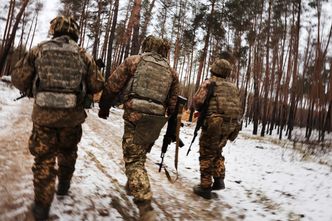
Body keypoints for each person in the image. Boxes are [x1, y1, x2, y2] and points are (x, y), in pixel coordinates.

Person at [11, 16, 104, 220]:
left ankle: (42, 206)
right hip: (71, 118)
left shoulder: (38, 50)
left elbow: (18, 78)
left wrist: (31, 87)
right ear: (75, 31)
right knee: (68, 151)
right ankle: (63, 185)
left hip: (44, 116)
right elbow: (97, 84)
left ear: (54, 29)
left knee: (44, 159)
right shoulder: (83, 55)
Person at [98, 35, 179, 220]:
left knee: (134, 161)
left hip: (135, 115)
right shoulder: (172, 72)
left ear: (147, 45)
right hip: (156, 120)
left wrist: (104, 107)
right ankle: (132, 184)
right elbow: (173, 105)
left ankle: (145, 206)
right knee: (139, 154)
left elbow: (112, 85)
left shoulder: (134, 61)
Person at [192, 51, 243, 199]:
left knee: (206, 153)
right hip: (229, 126)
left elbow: (197, 102)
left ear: (214, 68)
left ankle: (205, 186)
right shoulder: (233, 87)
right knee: (217, 151)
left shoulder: (209, 83)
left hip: (213, 125)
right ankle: (219, 180)